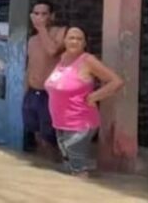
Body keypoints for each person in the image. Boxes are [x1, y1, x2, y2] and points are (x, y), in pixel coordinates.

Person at [45, 27, 124, 177]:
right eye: (71, 38)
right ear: (64, 41)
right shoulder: (62, 59)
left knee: (78, 169)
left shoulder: (88, 61)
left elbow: (116, 82)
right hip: (60, 124)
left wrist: (93, 97)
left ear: (84, 43)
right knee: (69, 166)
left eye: (79, 39)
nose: (74, 41)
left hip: (79, 123)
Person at [23, 1, 66, 158]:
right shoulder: (32, 40)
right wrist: (25, 92)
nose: (39, 17)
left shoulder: (61, 32)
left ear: (52, 16)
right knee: (36, 136)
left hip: (51, 94)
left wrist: (41, 28)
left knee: (50, 138)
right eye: (36, 14)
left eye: (44, 14)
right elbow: (30, 67)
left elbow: (52, 51)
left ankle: (55, 167)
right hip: (33, 93)